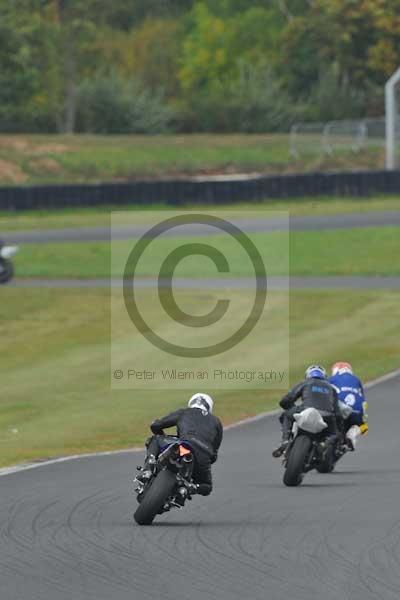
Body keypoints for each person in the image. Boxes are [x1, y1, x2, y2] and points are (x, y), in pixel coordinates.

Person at [137, 393, 223, 496]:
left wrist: (162, 437)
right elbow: (214, 453)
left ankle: (148, 467)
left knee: (155, 439)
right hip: (203, 455)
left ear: (191, 403)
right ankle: (192, 488)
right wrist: (207, 460)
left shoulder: (184, 412)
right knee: (207, 487)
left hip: (183, 444)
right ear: (209, 407)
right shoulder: (217, 422)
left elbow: (156, 425)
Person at [272, 364, 341, 457]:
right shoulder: (332, 388)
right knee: (335, 433)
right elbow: (337, 412)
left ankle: (285, 440)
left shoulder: (305, 383)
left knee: (285, 415)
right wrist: (338, 424)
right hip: (327, 415)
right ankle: (324, 444)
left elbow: (286, 400)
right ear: (324, 376)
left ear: (308, 375)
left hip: (305, 410)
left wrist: (291, 407)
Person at [329, 362, 368, 450]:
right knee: (364, 426)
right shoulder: (357, 380)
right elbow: (362, 398)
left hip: (339, 409)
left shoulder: (332, 379)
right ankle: (352, 433)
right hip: (357, 411)